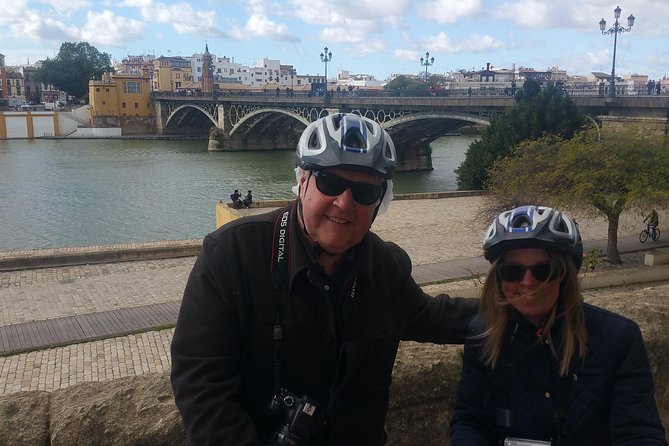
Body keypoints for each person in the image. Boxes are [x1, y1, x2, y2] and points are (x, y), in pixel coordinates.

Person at [171, 113, 479, 445]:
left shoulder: (386, 267)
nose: (345, 203)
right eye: (329, 182)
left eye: (364, 191)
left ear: (380, 201)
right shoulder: (232, 255)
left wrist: (523, 306)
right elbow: (200, 386)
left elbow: (435, 318)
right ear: (303, 182)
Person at [450, 205, 667, 445]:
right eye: (512, 271)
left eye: (544, 270)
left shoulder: (618, 338)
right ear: (498, 278)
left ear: (565, 275)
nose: (528, 282)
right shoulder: (482, 334)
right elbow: (470, 420)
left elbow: (639, 433)